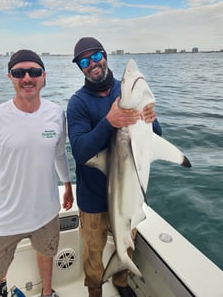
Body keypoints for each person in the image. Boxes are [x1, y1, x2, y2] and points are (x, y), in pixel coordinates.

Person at [0, 49, 74, 297]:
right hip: (5, 219)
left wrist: (67, 184)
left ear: (44, 76)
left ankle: (47, 292)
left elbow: (59, 154)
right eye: (19, 72)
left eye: (34, 72)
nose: (27, 78)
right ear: (10, 77)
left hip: (46, 212)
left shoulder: (56, 114)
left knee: (47, 255)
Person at [67, 37, 162, 297]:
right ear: (80, 68)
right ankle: (95, 290)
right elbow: (80, 151)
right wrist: (109, 121)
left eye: (96, 56)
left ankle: (121, 283)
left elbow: (156, 138)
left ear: (105, 55)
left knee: (126, 244)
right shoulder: (78, 103)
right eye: (84, 61)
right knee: (93, 256)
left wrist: (151, 121)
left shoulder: (127, 93)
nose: (92, 64)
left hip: (128, 193)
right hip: (94, 199)